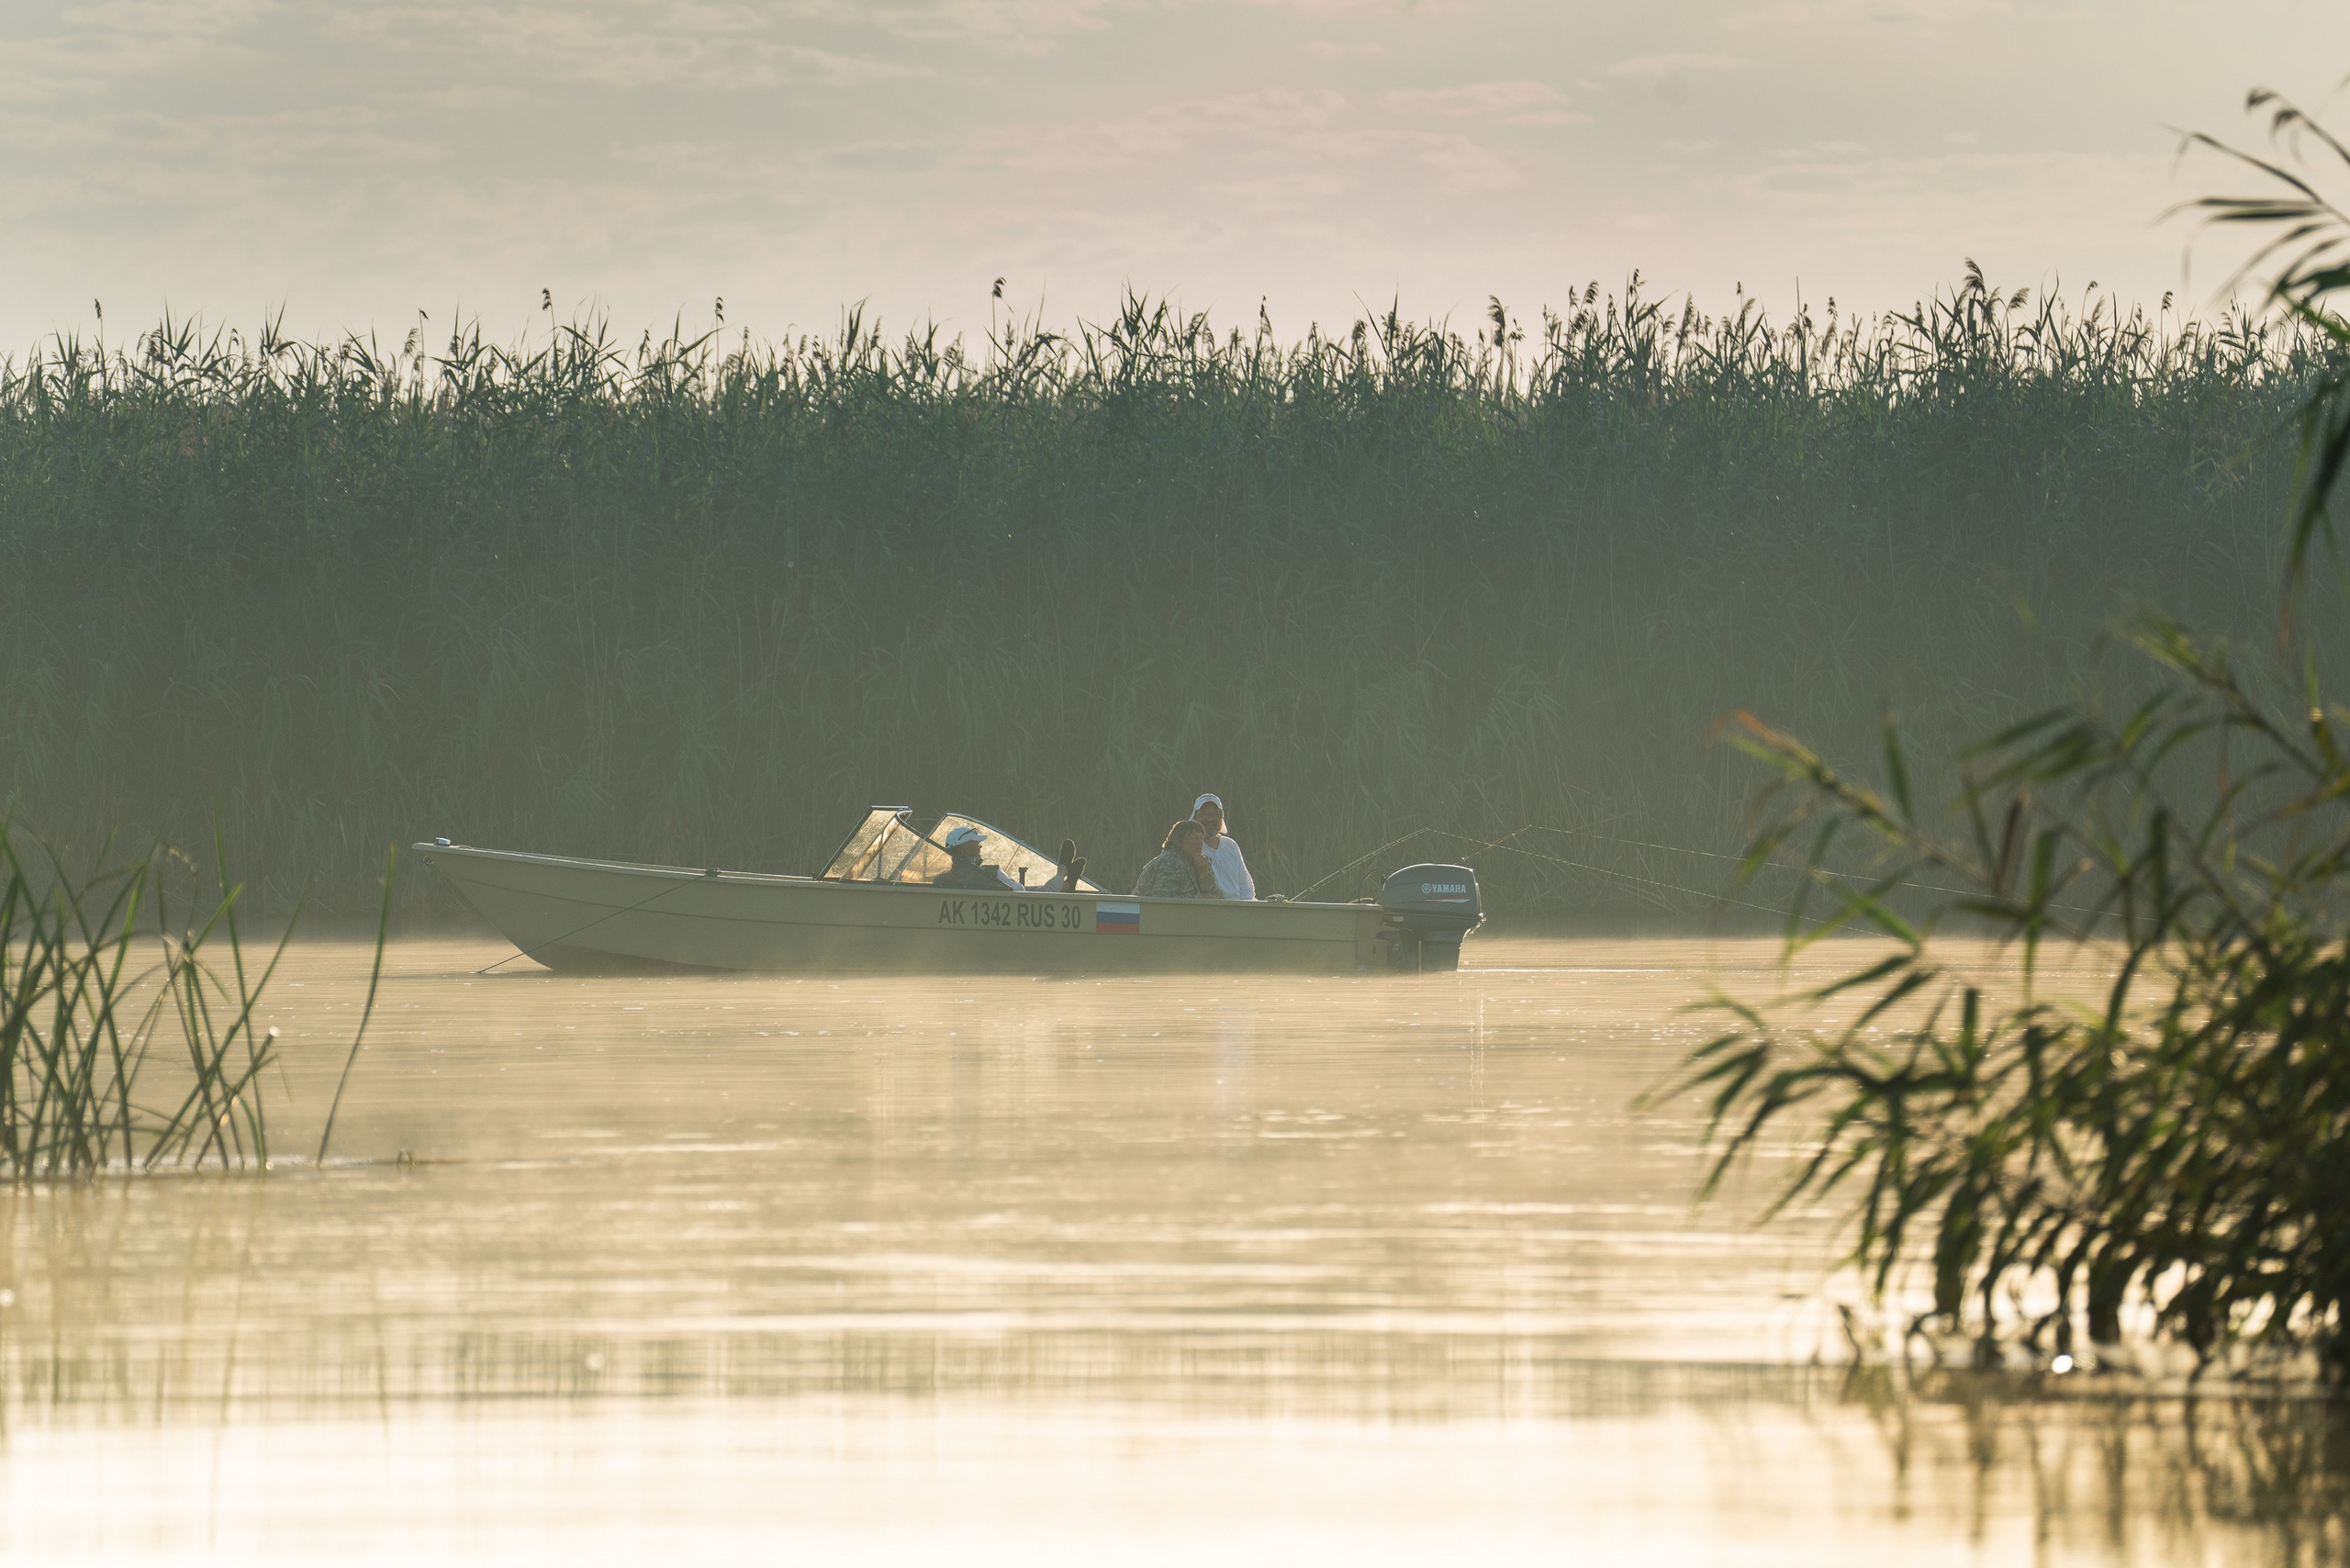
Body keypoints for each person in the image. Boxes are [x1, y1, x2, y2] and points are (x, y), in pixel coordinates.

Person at [1131, 820, 1224, 899]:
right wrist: (1200, 898)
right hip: (1144, 915)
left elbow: (1217, 898)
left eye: (1201, 838)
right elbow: (1163, 899)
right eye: (1195, 838)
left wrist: (1204, 874)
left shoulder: (1202, 862)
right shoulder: (1170, 862)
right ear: (1179, 841)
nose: (1200, 842)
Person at [1191, 792, 1256, 900]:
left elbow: (1246, 886)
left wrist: (1244, 910)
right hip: (1210, 910)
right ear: (1194, 817)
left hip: (1238, 910)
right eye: (1204, 814)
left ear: (1222, 818)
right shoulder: (1191, 847)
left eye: (1215, 814)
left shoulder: (1231, 845)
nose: (1210, 819)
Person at [933, 824, 1020, 890]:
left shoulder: (940, 881)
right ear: (966, 848)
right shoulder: (994, 874)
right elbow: (1019, 890)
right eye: (977, 843)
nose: (980, 846)